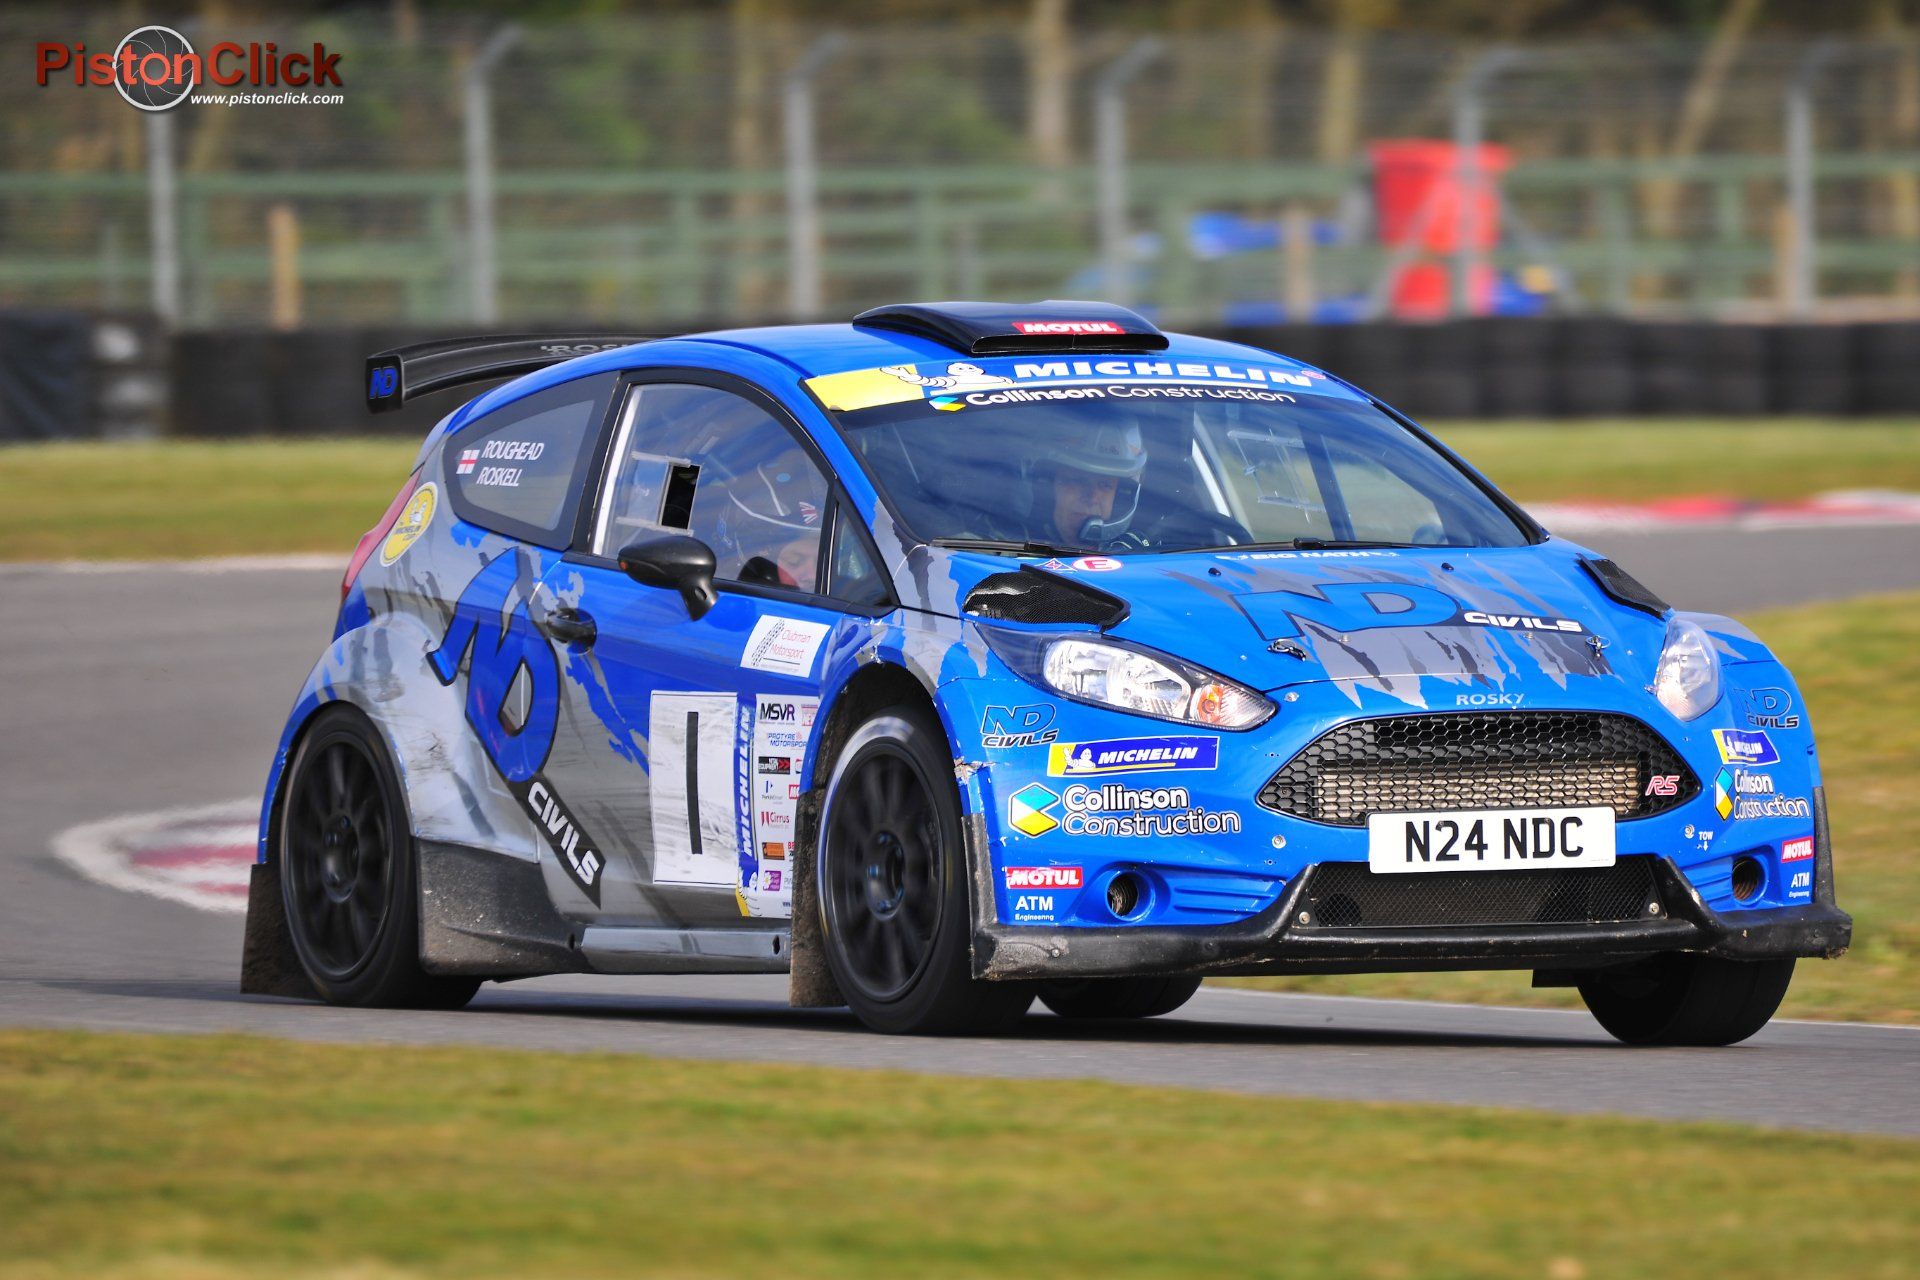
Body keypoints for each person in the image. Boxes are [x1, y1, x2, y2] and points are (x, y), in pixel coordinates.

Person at [1030, 419, 1148, 550]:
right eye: (1078, 481)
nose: (1092, 497)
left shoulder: (1142, 556)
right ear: (1049, 489)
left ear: (1118, 499)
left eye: (1105, 485)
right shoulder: (1011, 544)